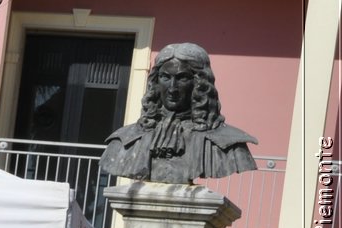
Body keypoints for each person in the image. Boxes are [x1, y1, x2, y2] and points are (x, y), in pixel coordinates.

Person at [100, 42, 258, 184]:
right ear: (155, 81)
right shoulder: (124, 141)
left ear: (200, 84)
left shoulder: (230, 146)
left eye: (182, 78)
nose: (172, 89)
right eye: (165, 77)